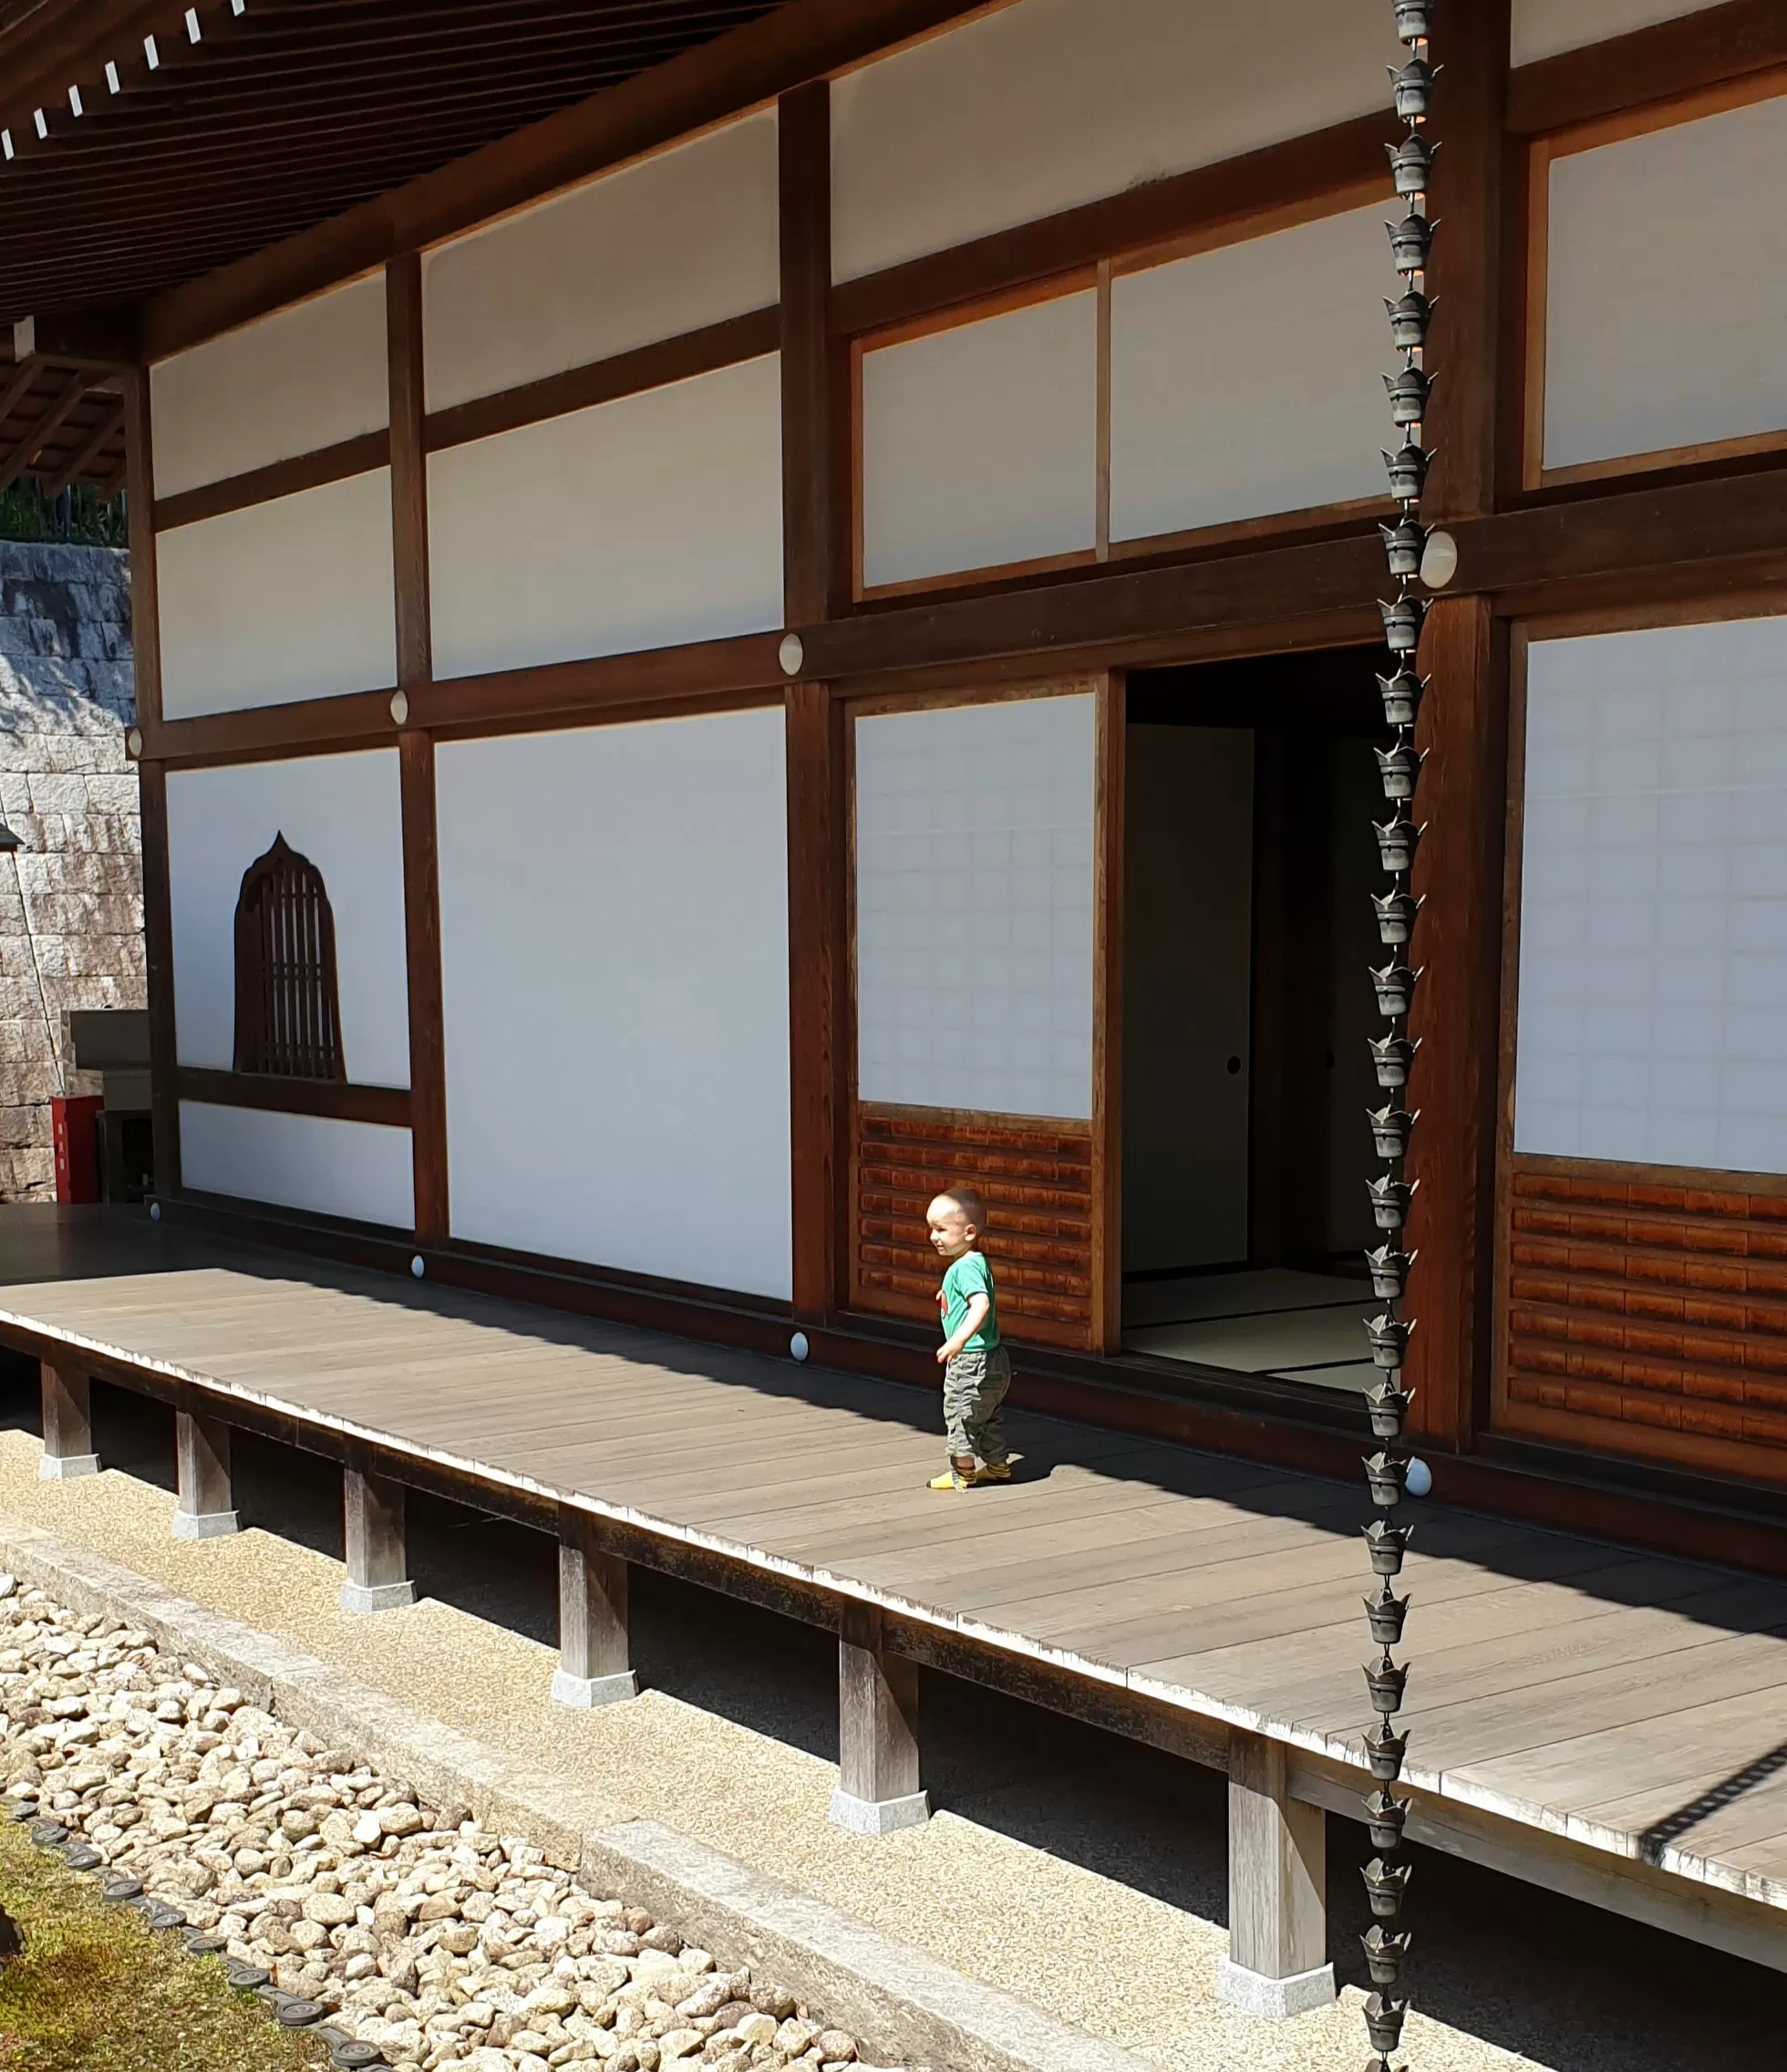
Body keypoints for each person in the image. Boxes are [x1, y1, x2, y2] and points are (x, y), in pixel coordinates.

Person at [925, 1186, 1012, 1491]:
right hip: (994, 1358)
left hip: (971, 1360)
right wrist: (947, 1294)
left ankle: (963, 1474)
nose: (933, 1236)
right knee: (987, 1414)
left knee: (961, 1415)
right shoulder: (975, 1261)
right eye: (931, 1229)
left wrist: (957, 1341)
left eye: (940, 1229)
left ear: (969, 1232)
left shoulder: (964, 1268)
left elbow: (981, 1304)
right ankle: (998, 1465)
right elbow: (973, 1295)